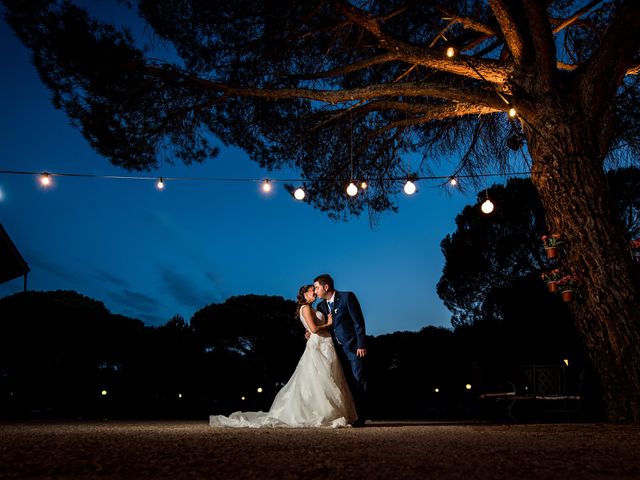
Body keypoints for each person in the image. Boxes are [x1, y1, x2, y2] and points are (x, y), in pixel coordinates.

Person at [209, 285, 357, 428]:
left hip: (325, 345)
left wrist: (312, 331)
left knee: (329, 377)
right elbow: (314, 328)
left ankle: (334, 410)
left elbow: (311, 329)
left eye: (314, 290)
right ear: (304, 295)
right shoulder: (305, 308)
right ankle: (322, 412)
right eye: (312, 291)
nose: (314, 293)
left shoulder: (314, 308)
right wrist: (329, 323)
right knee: (319, 377)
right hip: (318, 345)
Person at [313, 274, 368, 427]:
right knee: (345, 383)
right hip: (334, 350)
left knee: (358, 380)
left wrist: (361, 345)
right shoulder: (321, 307)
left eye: (317, 287)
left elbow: (358, 322)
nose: (316, 291)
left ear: (326, 287)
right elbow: (323, 327)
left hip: (353, 348)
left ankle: (361, 417)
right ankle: (349, 414)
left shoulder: (347, 297)